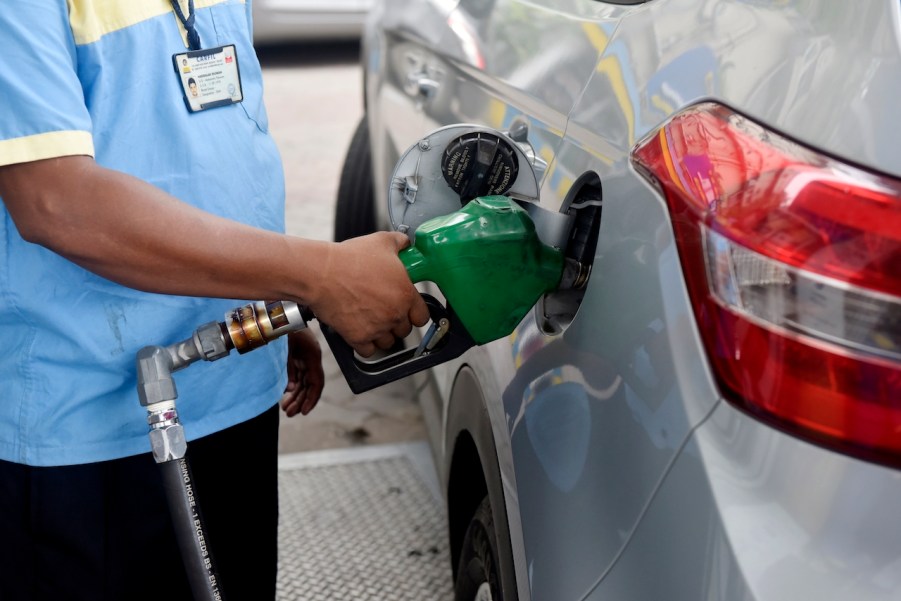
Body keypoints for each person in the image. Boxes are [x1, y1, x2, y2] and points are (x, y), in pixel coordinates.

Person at [0, 2, 429, 600]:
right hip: (94, 428)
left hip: (231, 385)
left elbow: (209, 136)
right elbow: (55, 201)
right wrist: (318, 274)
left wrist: (269, 300)